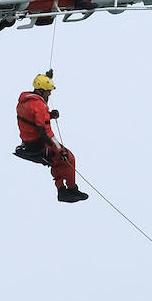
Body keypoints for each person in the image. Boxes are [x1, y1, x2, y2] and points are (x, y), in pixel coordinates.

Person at [15, 72, 88, 203]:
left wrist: (49, 115)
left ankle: (64, 190)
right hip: (38, 143)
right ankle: (69, 190)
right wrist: (60, 150)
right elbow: (46, 132)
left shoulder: (26, 100)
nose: (50, 94)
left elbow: (34, 118)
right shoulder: (39, 106)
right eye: (48, 91)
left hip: (28, 141)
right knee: (68, 158)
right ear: (41, 91)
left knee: (58, 160)